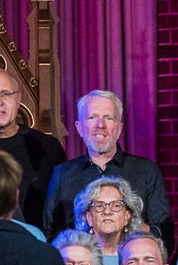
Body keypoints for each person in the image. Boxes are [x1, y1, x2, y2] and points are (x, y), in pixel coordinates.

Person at [43, 90, 171, 243]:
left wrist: (133, 226)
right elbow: (48, 232)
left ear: (119, 128)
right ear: (79, 128)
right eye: (92, 117)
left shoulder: (146, 171)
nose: (100, 125)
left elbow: (164, 234)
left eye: (108, 118)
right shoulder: (62, 174)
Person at [0, 68, 66, 226]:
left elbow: (61, 207)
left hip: (36, 243)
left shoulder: (47, 148)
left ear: (18, 99)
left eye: (6, 94)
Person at [73, 176, 145, 265]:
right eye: (99, 206)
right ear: (89, 217)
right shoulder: (73, 259)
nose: (107, 211)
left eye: (116, 205)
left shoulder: (138, 258)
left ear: (127, 216)